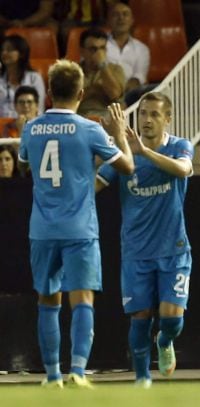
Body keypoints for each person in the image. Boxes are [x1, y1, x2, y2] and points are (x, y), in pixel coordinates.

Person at [17, 59, 134, 388]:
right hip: (79, 230)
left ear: (50, 92)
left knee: (47, 300)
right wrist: (119, 134)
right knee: (82, 300)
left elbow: (25, 164)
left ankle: (53, 375)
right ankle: (78, 373)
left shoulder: (32, 128)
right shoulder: (89, 129)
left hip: (41, 228)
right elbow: (126, 166)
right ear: (82, 93)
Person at [95, 92, 192, 388]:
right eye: (143, 114)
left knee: (171, 320)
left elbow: (185, 170)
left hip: (174, 249)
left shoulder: (179, 146)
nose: (147, 120)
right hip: (136, 251)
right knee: (140, 316)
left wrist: (144, 152)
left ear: (168, 119)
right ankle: (142, 379)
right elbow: (93, 186)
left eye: (154, 114)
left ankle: (164, 341)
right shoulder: (124, 155)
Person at [105, 2, 151, 105]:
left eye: (125, 14)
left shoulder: (142, 49)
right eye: (116, 14)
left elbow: (139, 76)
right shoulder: (99, 44)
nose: (121, 18)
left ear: (132, 20)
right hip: (103, 93)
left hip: (131, 95)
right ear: (109, 21)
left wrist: (125, 91)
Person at [77, 28, 126, 118]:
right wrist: (92, 90)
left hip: (106, 118)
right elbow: (67, 101)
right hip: (80, 117)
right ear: (82, 51)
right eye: (93, 49)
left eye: (102, 48)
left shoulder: (116, 69)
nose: (99, 54)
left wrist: (102, 65)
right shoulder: (73, 71)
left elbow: (115, 94)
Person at [0, 35, 46, 118]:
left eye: (9, 50)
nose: (4, 53)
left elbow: (39, 109)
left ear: (21, 53)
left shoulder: (34, 78)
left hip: (29, 125)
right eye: (2, 50)